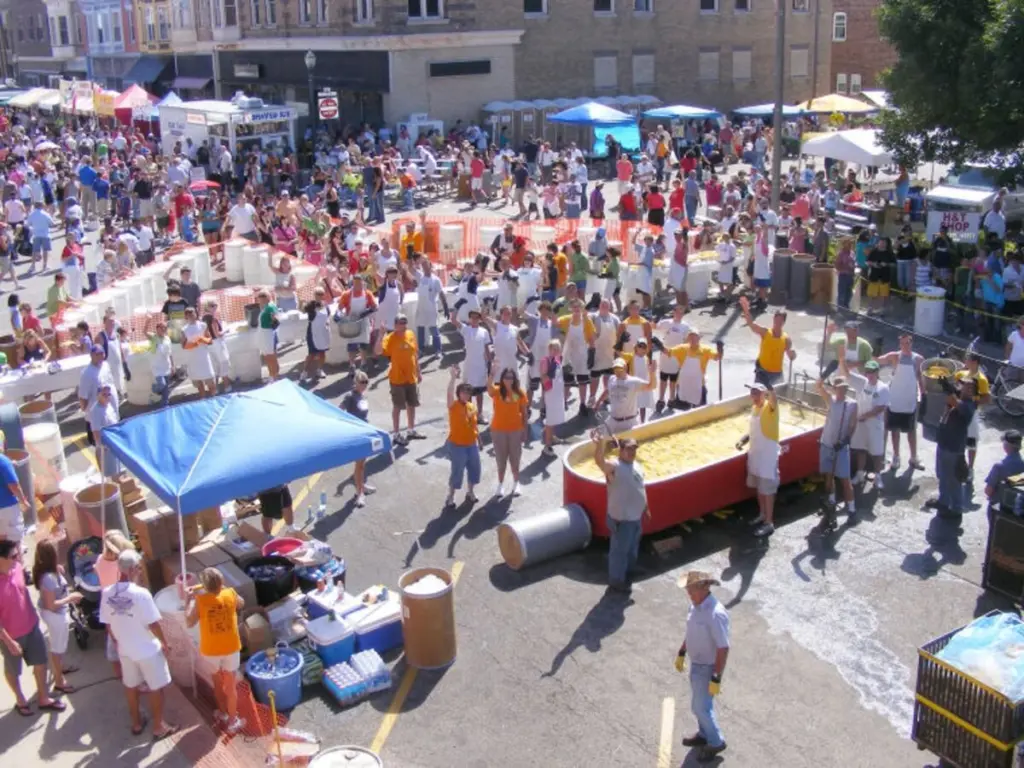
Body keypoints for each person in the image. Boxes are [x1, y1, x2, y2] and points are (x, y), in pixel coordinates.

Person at [99, 549, 177, 739]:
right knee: (155, 688)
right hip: (148, 650)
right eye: (139, 568)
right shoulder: (142, 594)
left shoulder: (107, 593)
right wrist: (164, 643)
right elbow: (153, 623)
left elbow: (108, 624)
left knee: (130, 686)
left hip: (126, 651)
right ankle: (159, 726)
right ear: (133, 569)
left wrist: (119, 641)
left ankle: (136, 723)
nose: (141, 571)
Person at [0, 539, 66, 717]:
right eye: (14, 555)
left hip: (31, 626)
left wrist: (55, 570)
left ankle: (43, 697)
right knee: (13, 670)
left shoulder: (18, 569)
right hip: (11, 636)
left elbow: (35, 579)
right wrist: (9, 641)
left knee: (41, 663)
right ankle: (20, 699)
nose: (18, 558)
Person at [675, 570, 730, 763]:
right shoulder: (695, 606)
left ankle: (716, 742)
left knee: (701, 708)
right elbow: (691, 632)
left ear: (705, 588)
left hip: (707, 667)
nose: (689, 593)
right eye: (688, 590)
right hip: (696, 664)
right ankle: (704, 734)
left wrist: (716, 676)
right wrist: (682, 651)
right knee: (699, 706)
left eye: (692, 589)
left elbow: (723, 648)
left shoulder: (715, 614)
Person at [185, 568, 245, 734]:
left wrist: (189, 600)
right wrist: (225, 590)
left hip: (211, 650)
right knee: (230, 686)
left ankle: (223, 713)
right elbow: (241, 603)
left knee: (217, 683)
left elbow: (189, 622)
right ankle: (233, 720)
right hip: (231, 646)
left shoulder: (200, 600)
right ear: (221, 583)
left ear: (205, 586)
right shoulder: (230, 594)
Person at [590, 429, 649, 591]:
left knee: (632, 547)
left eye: (634, 449)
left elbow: (641, 487)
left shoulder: (638, 466)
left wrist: (646, 508)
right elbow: (599, 461)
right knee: (619, 551)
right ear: (621, 451)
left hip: (636, 517)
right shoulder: (614, 466)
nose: (632, 452)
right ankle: (616, 580)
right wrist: (599, 444)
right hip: (621, 519)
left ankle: (630, 570)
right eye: (628, 449)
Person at [32, 540, 80, 696]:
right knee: (57, 648)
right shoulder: (48, 578)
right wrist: (70, 598)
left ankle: (60, 668)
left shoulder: (50, 572)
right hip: (55, 615)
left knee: (59, 645)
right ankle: (59, 682)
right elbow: (51, 604)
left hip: (57, 614)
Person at [876, 335, 926, 471]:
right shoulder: (894, 357)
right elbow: (877, 360)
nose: (905, 345)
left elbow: (920, 378)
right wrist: (876, 350)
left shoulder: (919, 359)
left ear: (911, 343)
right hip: (895, 399)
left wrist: (924, 395)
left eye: (907, 342)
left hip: (910, 400)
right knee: (894, 431)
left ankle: (914, 457)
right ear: (899, 343)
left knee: (911, 431)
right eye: (902, 343)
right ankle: (896, 457)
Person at [815, 370, 859, 517]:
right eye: (839, 387)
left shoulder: (852, 405)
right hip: (826, 444)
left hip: (841, 448)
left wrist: (846, 440)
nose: (842, 390)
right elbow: (818, 386)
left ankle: (852, 509)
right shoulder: (831, 400)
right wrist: (825, 374)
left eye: (844, 387)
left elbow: (853, 425)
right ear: (834, 388)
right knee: (828, 476)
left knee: (845, 480)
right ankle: (831, 502)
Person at [928, 381, 976, 518]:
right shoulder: (959, 400)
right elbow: (950, 403)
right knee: (943, 476)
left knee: (954, 480)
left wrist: (950, 392)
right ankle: (944, 502)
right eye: (964, 386)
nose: (964, 388)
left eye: (968, 387)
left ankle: (956, 508)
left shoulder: (969, 406)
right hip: (944, 444)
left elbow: (954, 402)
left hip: (954, 449)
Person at [739, 382, 780, 538]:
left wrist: (770, 387)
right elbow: (753, 431)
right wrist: (743, 440)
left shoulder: (770, 408)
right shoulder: (754, 409)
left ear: (764, 394)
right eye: (753, 393)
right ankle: (762, 514)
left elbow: (774, 401)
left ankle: (769, 522)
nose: (755, 396)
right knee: (759, 489)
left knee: (767, 490)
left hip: (767, 457)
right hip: (756, 455)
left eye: (758, 393)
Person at [377, 314, 424, 446]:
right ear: (395, 325)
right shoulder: (390, 338)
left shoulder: (410, 334)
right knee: (397, 406)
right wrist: (381, 335)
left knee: (412, 404)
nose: (403, 325)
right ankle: (396, 434)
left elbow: (414, 354)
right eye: (400, 323)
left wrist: (419, 372)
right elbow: (378, 351)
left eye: (405, 322)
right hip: (397, 378)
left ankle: (411, 430)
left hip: (411, 377)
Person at [488, 366, 529, 498]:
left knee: (515, 459)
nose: (508, 380)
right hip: (498, 431)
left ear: (514, 379)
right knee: (501, 459)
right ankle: (500, 485)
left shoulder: (519, 393)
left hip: (515, 431)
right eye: (506, 377)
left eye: (511, 377)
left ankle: (516, 483)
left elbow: (524, 413)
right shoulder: (497, 392)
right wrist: (492, 373)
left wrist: (525, 430)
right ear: (502, 379)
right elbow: (488, 388)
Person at [445, 365, 482, 507]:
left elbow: (474, 425)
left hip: (471, 444)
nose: (466, 395)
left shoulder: (471, 407)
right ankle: (451, 496)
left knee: (474, 469)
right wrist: (453, 378)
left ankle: (470, 492)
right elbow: (448, 394)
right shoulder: (453, 406)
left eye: (468, 393)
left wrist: (479, 440)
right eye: (463, 392)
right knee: (457, 471)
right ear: (458, 393)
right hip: (457, 445)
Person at [739, 297, 795, 388]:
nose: (777, 323)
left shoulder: (786, 339)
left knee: (777, 397)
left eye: (780, 321)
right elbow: (752, 325)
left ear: (783, 322)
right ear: (773, 320)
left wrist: (792, 354)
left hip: (777, 374)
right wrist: (746, 310)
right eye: (776, 320)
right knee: (760, 395)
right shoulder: (765, 332)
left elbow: (791, 356)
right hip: (762, 371)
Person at [341, 371, 377, 507]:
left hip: (365, 431)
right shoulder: (349, 397)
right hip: (356, 434)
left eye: (366, 382)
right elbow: (339, 410)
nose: (364, 385)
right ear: (355, 382)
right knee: (359, 465)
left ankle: (361, 486)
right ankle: (360, 492)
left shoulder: (362, 395)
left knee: (362, 464)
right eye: (361, 382)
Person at [451, 309, 493, 424]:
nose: (474, 319)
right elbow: (453, 320)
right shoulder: (465, 329)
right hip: (469, 366)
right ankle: (468, 415)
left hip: (481, 366)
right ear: (469, 318)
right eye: (472, 317)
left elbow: (487, 349)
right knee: (467, 392)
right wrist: (457, 306)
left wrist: (490, 364)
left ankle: (479, 415)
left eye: (477, 317)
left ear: (479, 319)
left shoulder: (484, 331)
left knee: (479, 392)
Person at [663, 331, 722, 411]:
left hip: (699, 384)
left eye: (695, 337)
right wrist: (659, 345)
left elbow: (717, 357)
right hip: (684, 385)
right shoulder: (682, 348)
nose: (693, 339)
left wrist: (720, 349)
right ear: (688, 339)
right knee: (685, 409)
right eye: (691, 337)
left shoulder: (705, 350)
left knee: (701, 409)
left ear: (699, 338)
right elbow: (668, 352)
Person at [956, 353, 991, 481]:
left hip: (972, 414)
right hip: (959, 412)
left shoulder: (981, 379)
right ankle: (960, 466)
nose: (965, 361)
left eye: (968, 360)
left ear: (975, 362)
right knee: (958, 441)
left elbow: (987, 398)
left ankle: (970, 469)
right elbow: (955, 390)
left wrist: (974, 402)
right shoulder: (960, 375)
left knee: (971, 442)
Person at [596, 356, 650, 434]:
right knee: (606, 443)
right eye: (615, 369)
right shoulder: (612, 378)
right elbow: (607, 390)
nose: (617, 371)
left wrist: (652, 373)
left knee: (630, 445)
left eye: (619, 368)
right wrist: (598, 403)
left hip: (629, 422)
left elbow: (651, 386)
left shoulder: (633, 381)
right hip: (613, 420)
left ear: (625, 368)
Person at [655, 304, 692, 411]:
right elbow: (654, 326)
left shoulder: (686, 326)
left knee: (673, 380)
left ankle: (671, 399)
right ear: (674, 312)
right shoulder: (666, 322)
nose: (679, 314)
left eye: (682, 312)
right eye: (677, 311)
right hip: (665, 354)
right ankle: (661, 399)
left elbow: (686, 342)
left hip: (677, 356)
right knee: (663, 379)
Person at [339, 274, 377, 375]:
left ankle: (363, 363)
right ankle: (352, 365)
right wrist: (338, 316)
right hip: (351, 322)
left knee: (363, 344)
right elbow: (340, 308)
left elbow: (375, 306)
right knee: (351, 345)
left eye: (360, 283)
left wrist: (366, 312)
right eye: (356, 283)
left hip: (364, 321)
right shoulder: (346, 295)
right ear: (353, 283)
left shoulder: (367, 294)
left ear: (362, 283)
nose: (358, 285)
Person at [414, 259, 448, 356]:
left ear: (430, 266)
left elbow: (441, 294)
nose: (424, 267)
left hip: (431, 309)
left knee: (434, 330)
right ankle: (421, 349)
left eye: (426, 265)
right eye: (423, 266)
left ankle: (438, 350)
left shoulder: (436, 280)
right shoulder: (420, 278)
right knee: (420, 329)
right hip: (421, 308)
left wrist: (445, 307)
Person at [539, 339, 567, 457]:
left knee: (555, 417)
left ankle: (551, 437)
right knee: (550, 420)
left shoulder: (558, 360)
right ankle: (547, 446)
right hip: (551, 394)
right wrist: (548, 376)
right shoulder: (546, 360)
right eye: (553, 348)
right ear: (549, 349)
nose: (556, 351)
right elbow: (543, 378)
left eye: (558, 348)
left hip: (558, 393)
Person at [181, 307, 216, 398]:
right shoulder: (184, 329)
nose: (191, 316)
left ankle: (214, 399)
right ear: (186, 317)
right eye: (189, 315)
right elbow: (183, 346)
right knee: (200, 385)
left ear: (196, 314)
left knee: (211, 383)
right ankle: (202, 401)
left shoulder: (203, 325)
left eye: (192, 314)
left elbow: (210, 341)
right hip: (193, 360)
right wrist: (193, 343)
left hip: (204, 358)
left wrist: (202, 339)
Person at [90, 384, 124, 479]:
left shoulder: (108, 405)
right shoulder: (96, 411)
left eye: (109, 394)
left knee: (115, 467)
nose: (107, 397)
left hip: (113, 441)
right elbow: (95, 430)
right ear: (98, 395)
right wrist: (101, 445)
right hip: (105, 445)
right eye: (104, 394)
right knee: (109, 472)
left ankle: (117, 478)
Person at [984, 430, 1024, 509]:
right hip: (1018, 507)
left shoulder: (999, 467)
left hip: (999, 508)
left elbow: (988, 491)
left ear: (1007, 445)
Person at [256, 290, 280, 381]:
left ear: (267, 298)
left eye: (262, 299)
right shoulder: (265, 307)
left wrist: (272, 326)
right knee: (267, 356)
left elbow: (276, 320)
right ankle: (272, 376)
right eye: (260, 299)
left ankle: (275, 377)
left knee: (271, 357)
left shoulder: (270, 307)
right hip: (264, 334)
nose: (260, 301)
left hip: (268, 334)